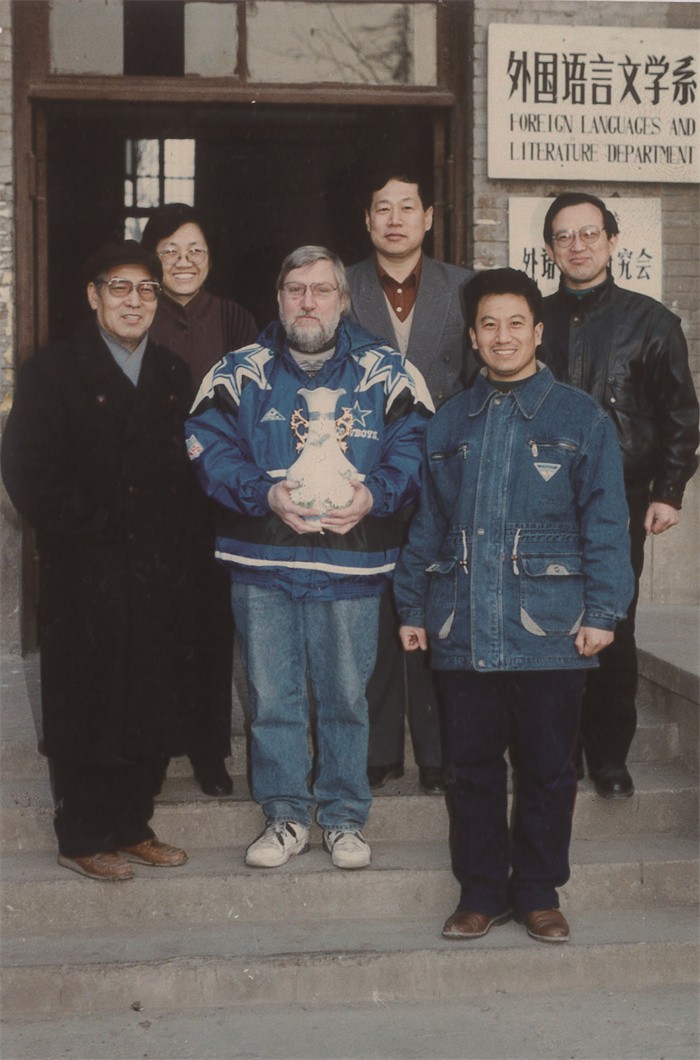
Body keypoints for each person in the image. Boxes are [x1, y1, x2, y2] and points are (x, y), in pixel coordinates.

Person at [393, 268, 634, 943]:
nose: (503, 336)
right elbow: (427, 524)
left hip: (550, 628)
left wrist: (603, 612)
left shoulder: (581, 418)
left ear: (538, 331)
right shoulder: (448, 422)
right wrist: (412, 607)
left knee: (549, 770)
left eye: (516, 323)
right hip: (464, 624)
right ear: (473, 337)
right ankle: (480, 892)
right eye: (489, 325)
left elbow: (607, 523)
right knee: (468, 768)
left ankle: (537, 892)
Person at [185, 245, 430, 870]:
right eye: (295, 290)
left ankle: (344, 818)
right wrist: (262, 494)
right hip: (263, 560)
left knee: (346, 698)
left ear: (343, 300)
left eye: (322, 290)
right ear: (279, 298)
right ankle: (285, 815)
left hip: (351, 564)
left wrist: (375, 495)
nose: (308, 302)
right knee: (272, 698)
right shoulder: (237, 371)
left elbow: (416, 445)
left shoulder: (388, 370)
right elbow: (208, 447)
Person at [0, 239, 224, 880]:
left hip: (158, 569)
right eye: (119, 288)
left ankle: (132, 825)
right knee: (87, 700)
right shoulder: (52, 371)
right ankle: (81, 835)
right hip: (87, 567)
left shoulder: (172, 372)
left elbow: (190, 472)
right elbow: (28, 471)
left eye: (147, 289)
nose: (134, 301)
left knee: (149, 695)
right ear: (93, 296)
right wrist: (93, 529)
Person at [540, 192, 699, 799]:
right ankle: (559, 750)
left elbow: (681, 415)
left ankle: (609, 756)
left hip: (622, 496)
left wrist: (669, 491)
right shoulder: (533, 319)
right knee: (548, 617)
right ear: (549, 249)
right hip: (543, 494)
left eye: (589, 233)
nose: (577, 246)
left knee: (614, 618)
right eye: (563, 236)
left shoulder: (651, 322)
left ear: (611, 240)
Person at [347, 168, 477, 794]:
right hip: (364, 473)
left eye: (407, 207)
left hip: (443, 469)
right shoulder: (340, 285)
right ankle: (378, 751)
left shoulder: (466, 287)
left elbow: (481, 379)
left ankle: (438, 752)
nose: (394, 219)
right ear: (366, 220)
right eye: (382, 207)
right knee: (372, 610)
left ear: (428, 217)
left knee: (436, 605)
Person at [140, 203, 258, 796]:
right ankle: (155, 749)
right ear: (151, 258)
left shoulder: (233, 318)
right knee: (155, 624)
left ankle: (210, 752)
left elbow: (255, 401)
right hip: (152, 498)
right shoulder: (139, 312)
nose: (184, 261)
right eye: (170, 251)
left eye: (195, 250)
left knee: (212, 626)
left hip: (219, 497)